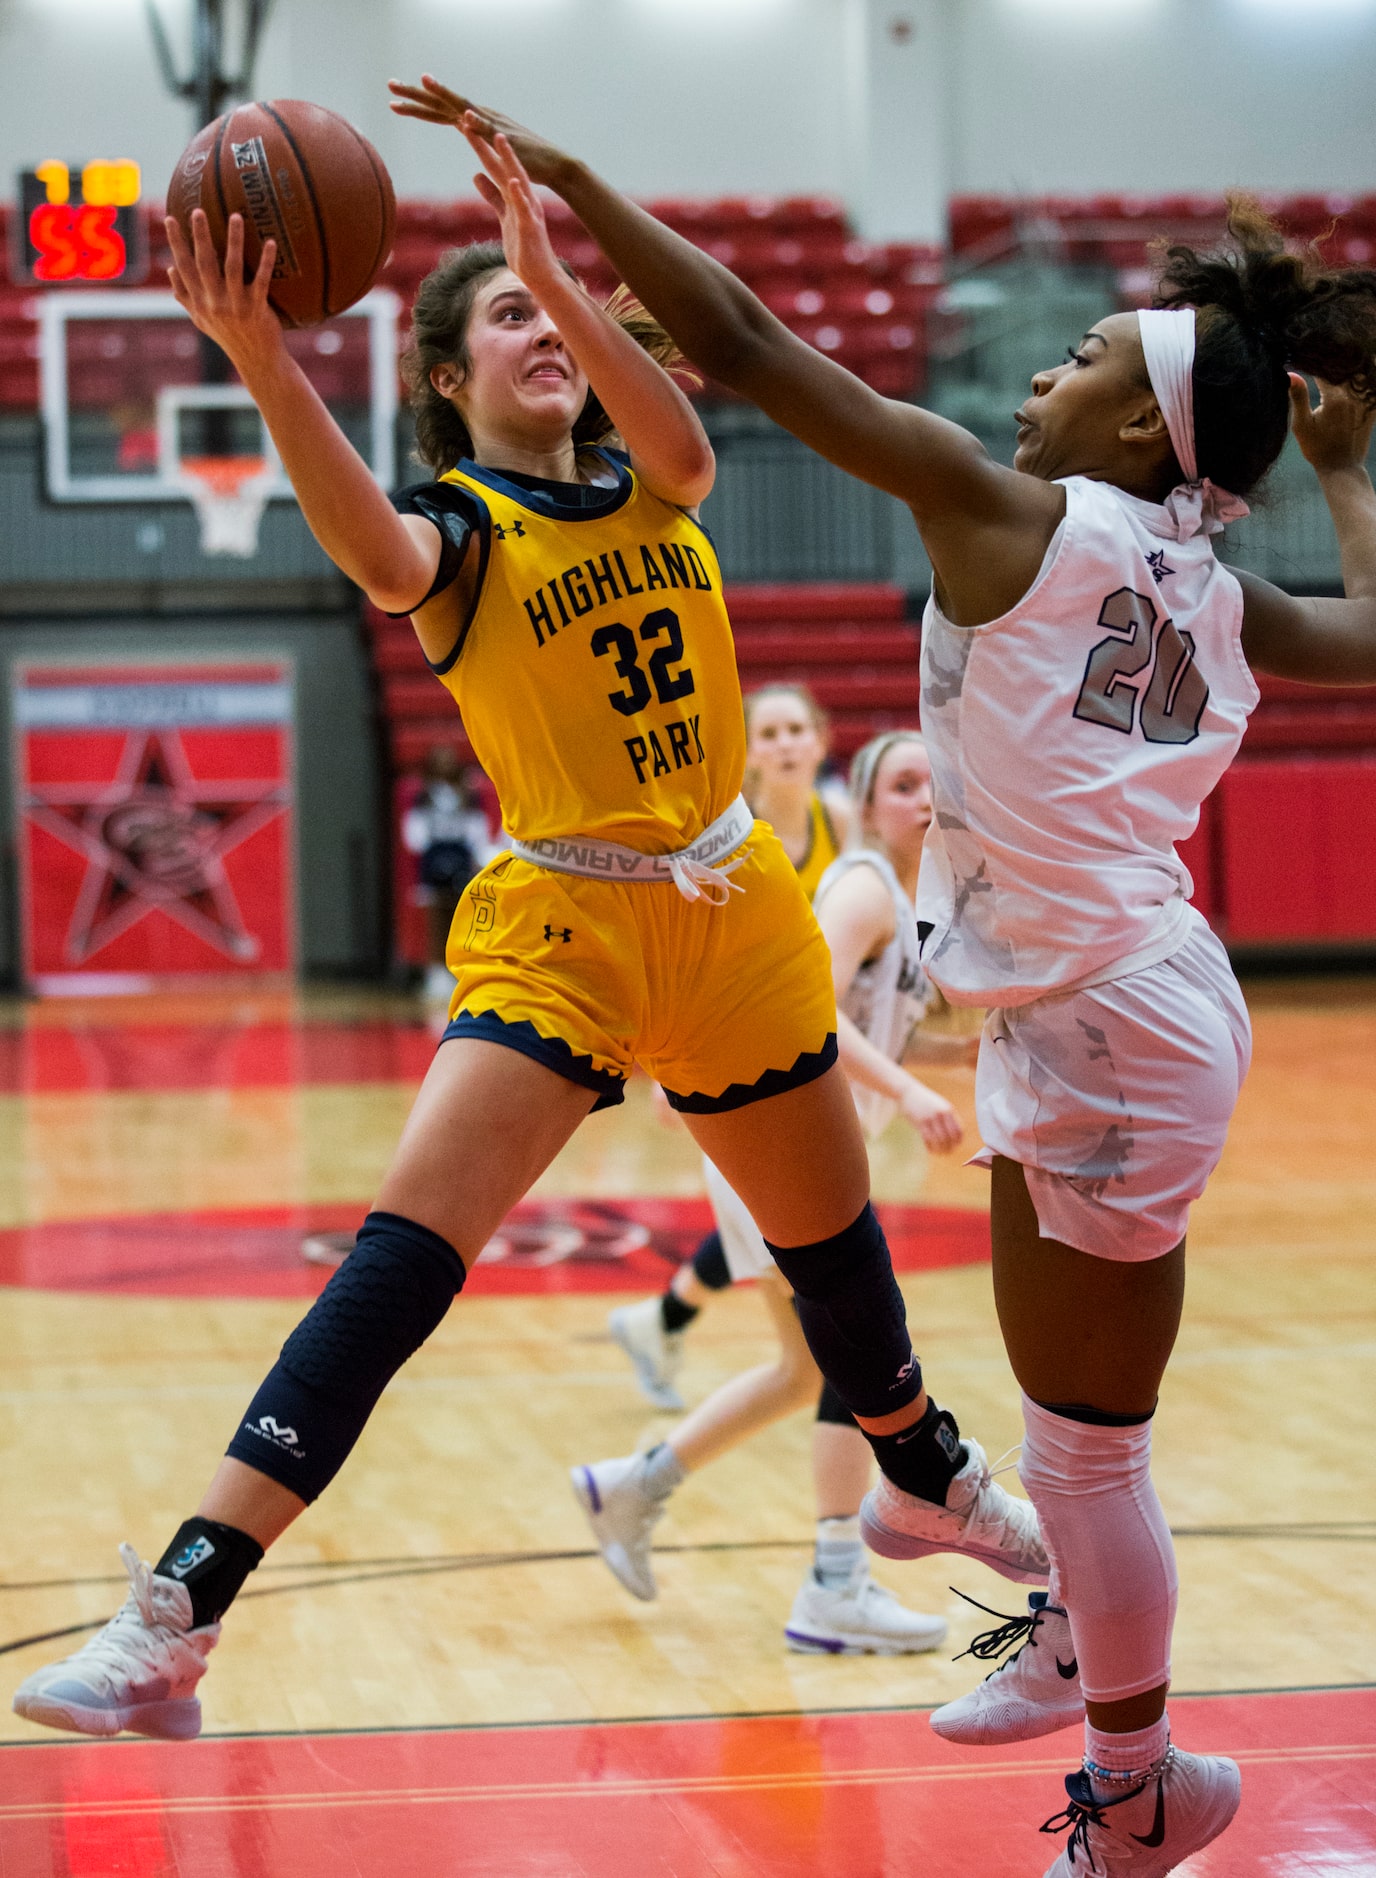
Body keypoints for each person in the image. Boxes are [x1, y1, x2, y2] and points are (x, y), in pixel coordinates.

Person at [389, 82, 1376, 1877]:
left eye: (1082, 354)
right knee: (1057, 1439)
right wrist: (1347, 477)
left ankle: (1146, 1792)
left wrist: (585, 184)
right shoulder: (1221, 593)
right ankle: (1084, 1645)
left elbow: (752, 344)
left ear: (1145, 433)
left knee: (1084, 1456)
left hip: (1114, 1012)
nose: (1041, 369)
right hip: (1100, 1006)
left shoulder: (1013, 518)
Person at [12, 109, 1045, 1744]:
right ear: (445, 376)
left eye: (550, 314)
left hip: (733, 914)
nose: (542, 334)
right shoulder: (464, 530)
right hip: (564, 919)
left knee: (838, 1272)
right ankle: (178, 1616)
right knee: (397, 1264)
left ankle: (930, 1478)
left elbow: (689, 447)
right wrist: (262, 357)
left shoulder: (658, 473)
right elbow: (366, 547)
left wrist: (552, 264)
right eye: (503, 318)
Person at [579, 731, 976, 1657]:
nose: (924, 797)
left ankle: (633, 1486)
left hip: (792, 1143)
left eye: (935, 782)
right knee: (856, 1356)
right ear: (868, 805)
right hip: (773, 1139)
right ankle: (834, 1583)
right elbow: (817, 1013)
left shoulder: (917, 899)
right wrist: (914, 1094)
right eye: (904, 783)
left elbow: (872, 1025)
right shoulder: (867, 885)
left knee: (808, 1368)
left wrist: (942, 1057)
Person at [609, 681, 852, 1409]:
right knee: (777, 1212)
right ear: (748, 750)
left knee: (770, 1212)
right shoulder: (727, 832)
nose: (782, 745)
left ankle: (659, 1320)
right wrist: (665, 1066)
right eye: (767, 733)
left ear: (820, 739)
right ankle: (833, 1379)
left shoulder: (839, 820)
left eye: (793, 731)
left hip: (825, 1040)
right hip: (735, 1045)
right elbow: (688, 954)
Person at [402, 745, 496, 1005]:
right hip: (433, 860)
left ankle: (459, 971)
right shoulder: (423, 796)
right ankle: (435, 974)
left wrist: (476, 853)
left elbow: (478, 830)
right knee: (435, 919)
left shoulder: (468, 795)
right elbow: (414, 835)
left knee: (461, 917)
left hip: (461, 859)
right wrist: (431, 842)